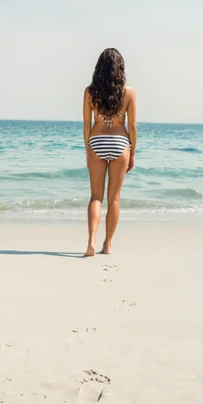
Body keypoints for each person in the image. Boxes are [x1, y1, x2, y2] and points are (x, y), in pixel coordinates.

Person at [83, 48, 137, 257]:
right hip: (119, 143)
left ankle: (91, 242)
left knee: (96, 196)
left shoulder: (90, 92)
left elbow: (86, 125)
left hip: (97, 141)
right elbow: (132, 127)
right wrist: (132, 153)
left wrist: (88, 147)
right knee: (113, 198)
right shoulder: (129, 92)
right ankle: (108, 244)